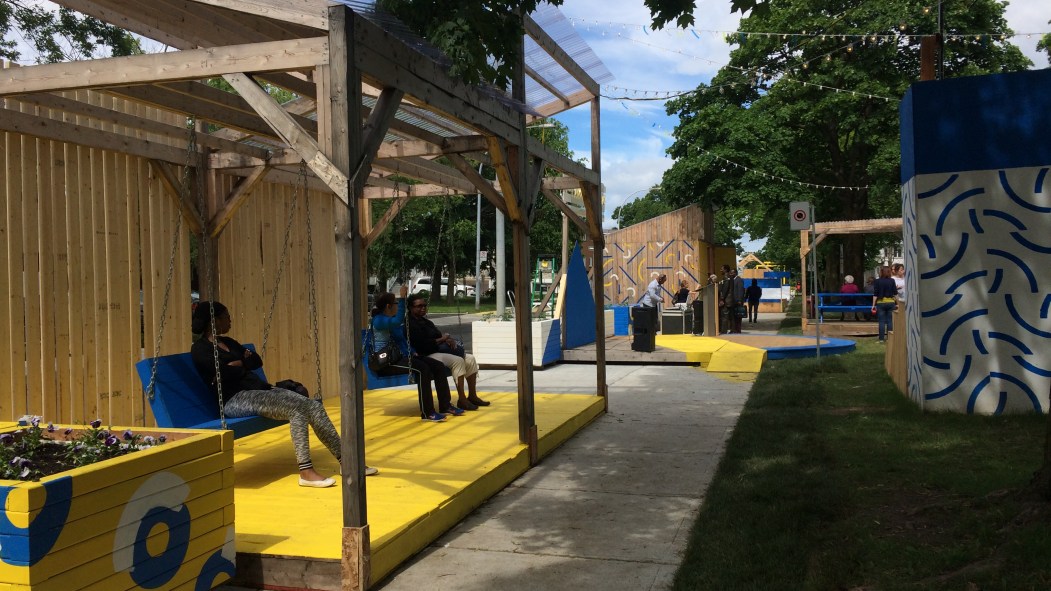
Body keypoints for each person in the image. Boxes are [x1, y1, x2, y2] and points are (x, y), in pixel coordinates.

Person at [191, 301, 374, 488]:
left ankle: (347, 461)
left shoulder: (229, 343)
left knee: (313, 405)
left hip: (261, 390)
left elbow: (256, 360)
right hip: (236, 399)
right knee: (296, 409)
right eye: (226, 317)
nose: (230, 320)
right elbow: (222, 372)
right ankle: (306, 471)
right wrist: (241, 363)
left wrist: (239, 364)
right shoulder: (200, 349)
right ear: (214, 320)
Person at [369, 287, 462, 420]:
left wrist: (413, 352)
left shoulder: (390, 320)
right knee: (422, 369)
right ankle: (427, 412)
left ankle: (445, 405)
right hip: (386, 362)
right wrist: (403, 299)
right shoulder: (379, 320)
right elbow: (397, 321)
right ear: (389, 306)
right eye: (396, 303)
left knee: (438, 365)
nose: (397, 306)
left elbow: (402, 341)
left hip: (399, 357)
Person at [406, 293, 489, 411]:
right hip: (425, 355)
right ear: (410, 307)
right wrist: (442, 339)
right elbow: (422, 345)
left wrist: (447, 340)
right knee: (458, 361)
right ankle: (462, 399)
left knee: (470, 359)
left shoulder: (426, 322)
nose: (423, 308)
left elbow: (438, 335)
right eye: (419, 306)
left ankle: (472, 395)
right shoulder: (410, 324)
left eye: (424, 305)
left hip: (437, 350)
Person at [871, 266, 898, 343]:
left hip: (881, 303)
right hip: (891, 302)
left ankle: (881, 339)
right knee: (890, 321)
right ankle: (890, 339)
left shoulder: (877, 281)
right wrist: (897, 303)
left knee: (881, 321)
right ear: (889, 272)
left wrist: (873, 305)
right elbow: (895, 293)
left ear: (881, 272)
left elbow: (875, 294)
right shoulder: (892, 280)